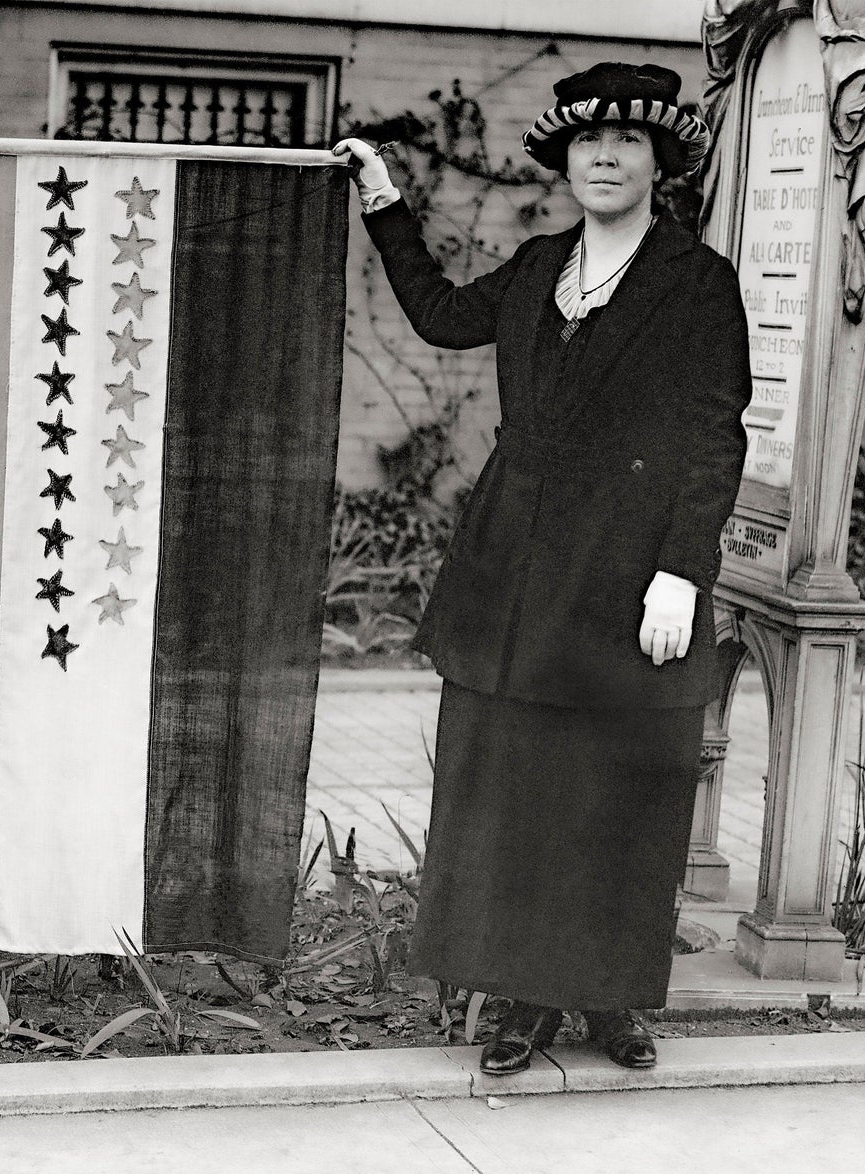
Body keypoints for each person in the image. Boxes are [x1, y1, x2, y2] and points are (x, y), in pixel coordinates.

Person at [333, 63, 751, 1075]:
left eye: (627, 142)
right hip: (515, 566)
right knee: (516, 784)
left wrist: (681, 572)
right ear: (564, 161)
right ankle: (521, 1001)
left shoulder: (695, 282)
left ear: (660, 162)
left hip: (626, 571)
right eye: (586, 142)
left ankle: (607, 999)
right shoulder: (534, 266)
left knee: (615, 789)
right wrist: (385, 204)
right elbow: (436, 314)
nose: (604, 156)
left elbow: (712, 435)